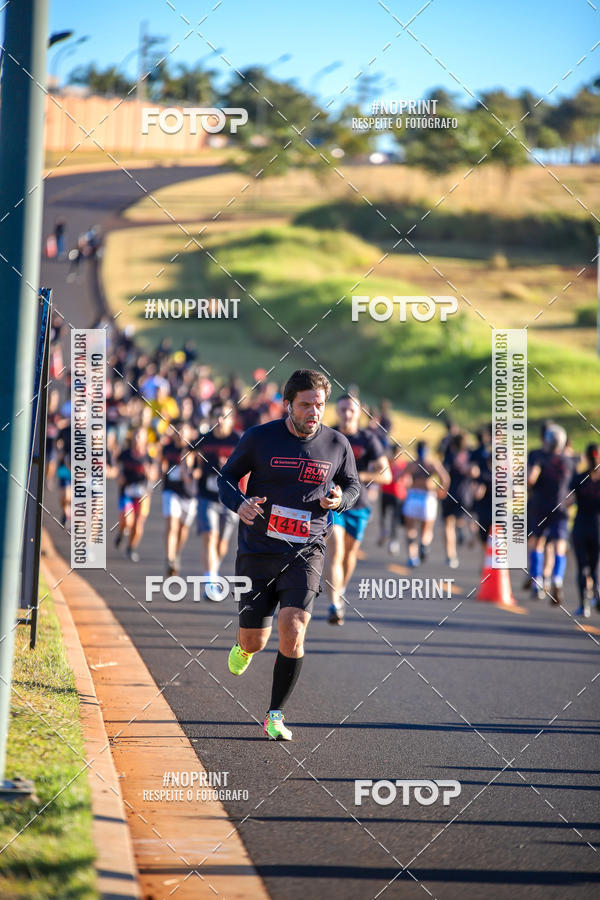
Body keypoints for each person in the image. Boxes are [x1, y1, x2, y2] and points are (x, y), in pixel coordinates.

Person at [218, 369, 360, 741]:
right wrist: (240, 503)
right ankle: (244, 647)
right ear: (288, 404)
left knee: (294, 627)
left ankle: (274, 715)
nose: (314, 412)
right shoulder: (259, 438)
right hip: (259, 550)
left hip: (307, 550)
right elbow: (226, 478)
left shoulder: (337, 444)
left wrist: (340, 500)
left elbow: (353, 485)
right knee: (255, 640)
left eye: (320, 405)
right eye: (306, 405)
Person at [325, 394, 391, 625]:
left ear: (359, 412)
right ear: (337, 411)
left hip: (359, 504)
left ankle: (340, 590)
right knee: (337, 551)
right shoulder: (328, 435)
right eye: (343, 409)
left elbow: (387, 474)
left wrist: (362, 476)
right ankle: (334, 604)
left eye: (351, 410)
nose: (347, 414)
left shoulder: (368, 439)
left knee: (350, 555)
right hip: (333, 503)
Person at [195, 402, 242, 601]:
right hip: (207, 495)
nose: (220, 420)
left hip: (230, 499)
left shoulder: (238, 440)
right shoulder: (206, 438)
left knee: (222, 544)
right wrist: (193, 470)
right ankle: (210, 582)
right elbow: (192, 454)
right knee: (210, 537)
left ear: (232, 419)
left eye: (224, 416)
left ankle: (213, 571)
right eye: (217, 416)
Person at [527, 424, 576, 604]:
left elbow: (530, 479)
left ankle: (537, 581)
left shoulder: (539, 457)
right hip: (561, 508)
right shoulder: (569, 462)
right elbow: (574, 489)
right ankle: (557, 578)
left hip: (540, 506)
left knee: (537, 543)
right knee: (559, 546)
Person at [403, 441, 450, 567]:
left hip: (413, 496)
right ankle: (424, 544)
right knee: (426, 529)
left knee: (411, 529)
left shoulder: (412, 464)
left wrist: (406, 487)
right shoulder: (432, 464)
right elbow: (445, 478)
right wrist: (442, 491)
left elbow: (400, 478)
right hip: (427, 497)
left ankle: (412, 557)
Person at [161, 421, 198, 576]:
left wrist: (189, 473)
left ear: (190, 433)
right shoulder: (167, 448)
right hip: (171, 491)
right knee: (172, 525)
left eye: (184, 431)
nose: (181, 434)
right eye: (178, 431)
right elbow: (160, 465)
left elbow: (200, 471)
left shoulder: (195, 450)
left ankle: (176, 554)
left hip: (189, 494)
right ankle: (170, 559)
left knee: (183, 530)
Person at [115, 427, 157, 562]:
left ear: (145, 440)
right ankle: (122, 532)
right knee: (127, 521)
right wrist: (119, 476)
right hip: (127, 492)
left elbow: (154, 476)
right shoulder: (125, 454)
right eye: (135, 436)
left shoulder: (148, 457)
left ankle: (131, 548)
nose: (137, 439)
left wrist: (148, 472)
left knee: (138, 525)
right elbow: (118, 468)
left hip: (143, 494)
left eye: (140, 436)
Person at [568, 444, 600, 617]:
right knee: (595, 568)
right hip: (598, 528)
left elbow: (568, 501)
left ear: (586, 458)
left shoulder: (579, 478)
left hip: (580, 526)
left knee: (582, 568)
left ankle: (584, 605)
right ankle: (596, 591)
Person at [441, 432, 476, 568]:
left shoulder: (450, 455)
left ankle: (451, 555)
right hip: (466, 494)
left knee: (448, 525)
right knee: (464, 518)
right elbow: (475, 472)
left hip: (451, 493)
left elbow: (444, 472)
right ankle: (463, 529)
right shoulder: (471, 455)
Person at [378, 446, 408, 554]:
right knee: (387, 516)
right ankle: (387, 536)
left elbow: (407, 480)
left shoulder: (400, 464)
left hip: (395, 494)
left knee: (391, 518)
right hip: (392, 493)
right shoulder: (391, 463)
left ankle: (391, 538)